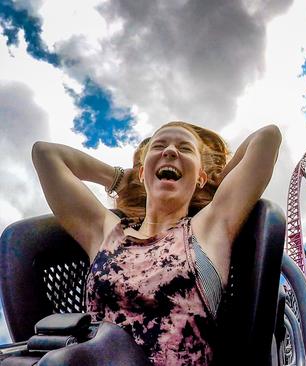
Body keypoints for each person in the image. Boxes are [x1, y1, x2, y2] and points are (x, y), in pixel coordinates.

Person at [32, 121, 282, 365]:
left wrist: (216, 182)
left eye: (185, 149)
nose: (170, 151)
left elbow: (266, 138)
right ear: (142, 172)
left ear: (200, 179)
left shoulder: (209, 228)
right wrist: (122, 179)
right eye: (158, 146)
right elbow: (46, 154)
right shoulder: (105, 232)